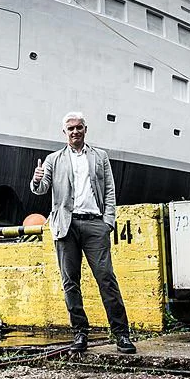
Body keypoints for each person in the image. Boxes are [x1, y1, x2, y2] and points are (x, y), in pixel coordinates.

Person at [31, 111, 136, 355]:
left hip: (95, 225)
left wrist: (108, 222)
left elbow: (109, 190)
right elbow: (41, 189)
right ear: (64, 132)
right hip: (65, 227)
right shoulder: (53, 159)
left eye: (79, 127)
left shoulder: (100, 157)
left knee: (106, 279)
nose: (75, 131)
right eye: (71, 128)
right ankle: (80, 333)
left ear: (85, 129)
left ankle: (121, 334)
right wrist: (36, 180)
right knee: (70, 282)